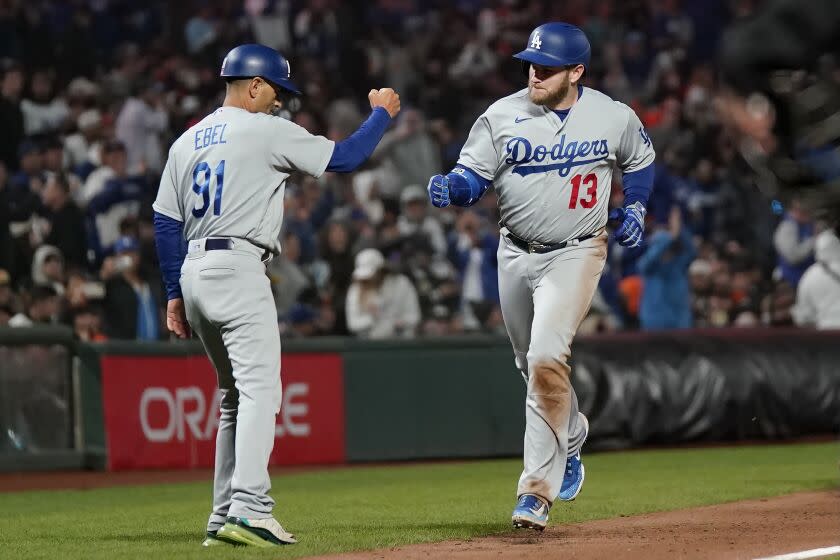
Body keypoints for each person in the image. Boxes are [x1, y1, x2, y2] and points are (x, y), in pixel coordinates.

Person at [152, 44, 400, 547]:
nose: (281, 103)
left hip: (196, 270)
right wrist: (380, 115)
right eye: (278, 92)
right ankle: (249, 509)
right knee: (261, 392)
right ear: (255, 85)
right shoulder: (263, 129)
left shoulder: (186, 140)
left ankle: (223, 515)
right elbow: (347, 157)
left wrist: (175, 292)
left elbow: (165, 222)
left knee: (232, 400)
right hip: (237, 266)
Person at [427, 23, 655, 530]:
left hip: (577, 251)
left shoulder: (611, 115)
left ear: (577, 71)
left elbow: (641, 161)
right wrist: (453, 188)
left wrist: (636, 205)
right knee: (528, 363)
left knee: (547, 356)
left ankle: (535, 492)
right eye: (531, 63)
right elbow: (472, 178)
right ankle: (570, 434)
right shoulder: (501, 116)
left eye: (547, 67)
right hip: (514, 252)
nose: (534, 72)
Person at [345, 248, 421, 339]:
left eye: (372, 274)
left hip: (401, 344)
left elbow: (414, 316)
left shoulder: (402, 283)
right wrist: (372, 317)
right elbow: (353, 324)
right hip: (369, 347)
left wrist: (400, 323)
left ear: (381, 270)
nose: (368, 279)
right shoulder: (355, 289)